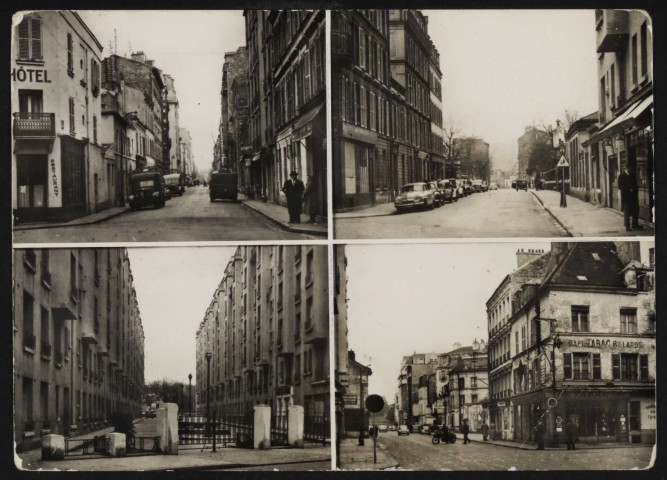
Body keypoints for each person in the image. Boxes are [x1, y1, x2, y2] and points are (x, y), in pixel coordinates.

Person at [617, 167, 644, 231]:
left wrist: (636, 189)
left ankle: (635, 225)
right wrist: (629, 189)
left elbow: (635, 185)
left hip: (634, 197)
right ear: (626, 169)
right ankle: (627, 226)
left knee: (636, 211)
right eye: (628, 168)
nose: (629, 170)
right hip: (626, 197)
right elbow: (620, 186)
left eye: (630, 169)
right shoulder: (621, 176)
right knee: (627, 212)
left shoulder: (632, 176)